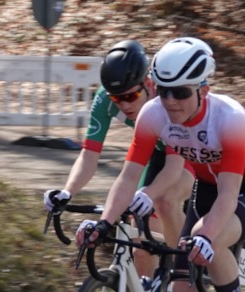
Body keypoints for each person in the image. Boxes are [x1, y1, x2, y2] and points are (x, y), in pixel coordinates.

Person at [78, 36, 245, 292]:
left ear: (204, 88)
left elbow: (228, 195)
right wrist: (103, 223)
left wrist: (206, 235)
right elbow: (128, 178)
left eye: (181, 92)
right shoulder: (153, 114)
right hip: (207, 191)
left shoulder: (229, 118)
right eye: (163, 90)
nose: (170, 101)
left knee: (209, 239)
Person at [44, 40, 194, 277]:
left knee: (165, 199)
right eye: (117, 99)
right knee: (142, 246)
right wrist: (67, 191)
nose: (124, 104)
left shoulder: (167, 101)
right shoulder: (105, 99)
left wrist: (148, 194)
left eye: (131, 96)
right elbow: (89, 155)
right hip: (157, 152)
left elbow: (174, 168)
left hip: (191, 152)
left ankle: (186, 272)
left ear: (147, 84)